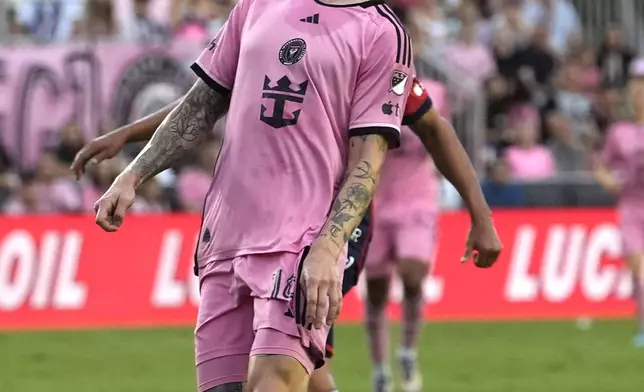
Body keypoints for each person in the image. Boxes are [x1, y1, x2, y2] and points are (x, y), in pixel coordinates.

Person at [73, 74, 502, 392]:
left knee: (292, 369)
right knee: (301, 373)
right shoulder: (276, 33)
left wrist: (480, 215)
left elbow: (433, 127)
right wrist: (128, 137)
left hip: (335, 228)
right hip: (263, 227)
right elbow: (207, 100)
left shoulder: (369, 45)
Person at [91, 0, 415, 391]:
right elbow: (201, 104)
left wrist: (329, 248)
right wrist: (134, 173)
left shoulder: (382, 32)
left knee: (273, 383)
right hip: (227, 240)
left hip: (300, 243)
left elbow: (368, 159)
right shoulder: (256, 4)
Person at [595, 58, 644, 348]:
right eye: (636, 87)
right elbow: (602, 165)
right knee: (638, 266)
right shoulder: (620, 132)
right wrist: (609, 182)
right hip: (631, 205)